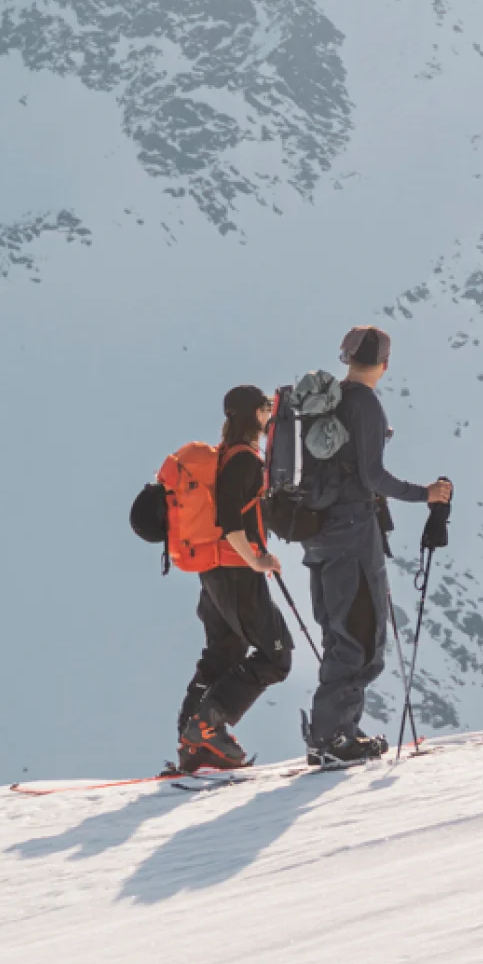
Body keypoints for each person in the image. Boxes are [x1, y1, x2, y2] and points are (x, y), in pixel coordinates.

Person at [298, 326, 452, 767]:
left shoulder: (325, 404)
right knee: (361, 633)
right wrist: (427, 494)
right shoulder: (363, 404)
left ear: (345, 357)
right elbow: (372, 477)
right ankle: (333, 738)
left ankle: (335, 731)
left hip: (319, 533)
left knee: (338, 628)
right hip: (352, 532)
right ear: (384, 365)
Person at [175, 385, 294, 772]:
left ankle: (194, 745)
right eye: (265, 409)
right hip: (234, 570)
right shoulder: (244, 460)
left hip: (212, 571)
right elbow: (230, 522)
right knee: (276, 656)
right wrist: (257, 560)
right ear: (256, 414)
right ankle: (209, 725)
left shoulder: (224, 456)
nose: (269, 415)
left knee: (223, 654)